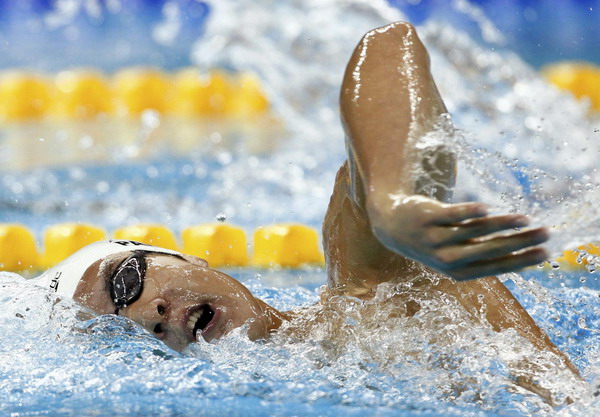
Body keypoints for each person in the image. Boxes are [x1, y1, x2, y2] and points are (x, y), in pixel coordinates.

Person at [34, 21, 579, 401]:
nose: (143, 318)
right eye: (117, 333)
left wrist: (394, 205)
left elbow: (391, 46)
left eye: (127, 283)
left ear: (181, 257)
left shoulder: (368, 296)